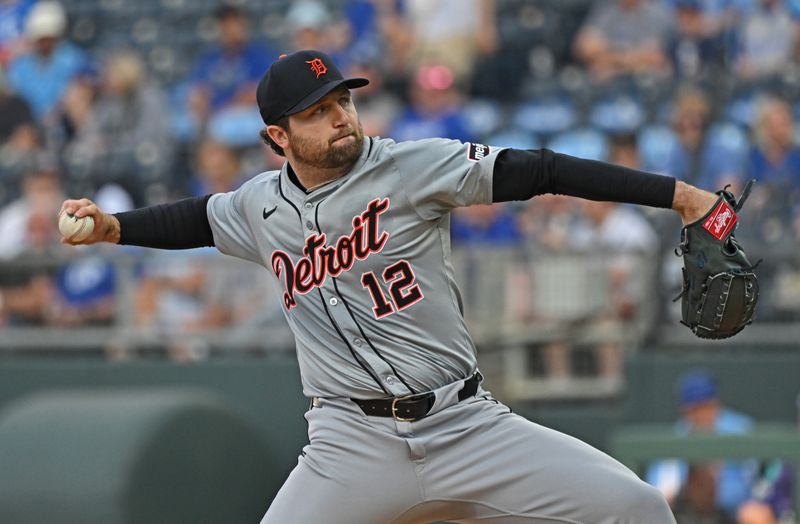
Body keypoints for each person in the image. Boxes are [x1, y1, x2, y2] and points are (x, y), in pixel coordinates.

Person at [60, 50, 723, 523]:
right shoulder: (258, 206)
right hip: (350, 444)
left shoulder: (412, 167)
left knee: (635, 508)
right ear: (276, 135)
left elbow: (540, 168)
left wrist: (680, 195)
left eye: (342, 100)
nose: (340, 117)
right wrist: (111, 227)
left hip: (467, 426)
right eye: (316, 112)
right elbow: (194, 219)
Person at [646, 370, 759, 518]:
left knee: (754, 514)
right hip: (687, 511)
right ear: (686, 410)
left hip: (734, 511)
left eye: (707, 406)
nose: (703, 413)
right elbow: (660, 489)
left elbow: (756, 479)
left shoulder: (739, 429)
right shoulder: (677, 437)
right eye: (697, 408)